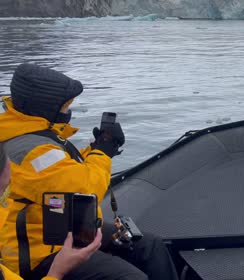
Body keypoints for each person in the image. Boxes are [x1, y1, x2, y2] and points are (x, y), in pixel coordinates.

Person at [0, 63, 178, 280]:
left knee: (150, 247)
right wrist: (103, 153)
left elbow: (61, 171)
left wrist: (96, 149)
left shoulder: (26, 130)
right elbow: (85, 189)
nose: (68, 112)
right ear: (46, 107)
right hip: (40, 253)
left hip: (59, 229)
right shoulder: (29, 149)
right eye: (65, 107)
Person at [0, 150, 103, 280]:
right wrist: (56, 272)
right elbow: (87, 188)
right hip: (35, 256)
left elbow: (61, 166)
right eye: (5, 190)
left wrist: (91, 149)